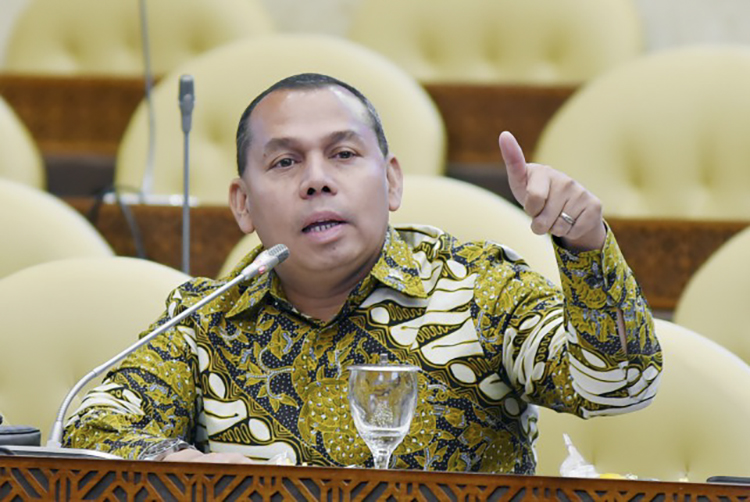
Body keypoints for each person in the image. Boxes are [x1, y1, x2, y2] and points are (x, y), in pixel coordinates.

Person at [64, 73, 662, 473]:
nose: (317, 180)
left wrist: (586, 246)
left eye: (344, 154)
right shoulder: (205, 321)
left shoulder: (479, 287)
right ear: (243, 205)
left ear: (392, 181)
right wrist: (183, 467)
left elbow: (621, 384)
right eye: (285, 162)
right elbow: (91, 431)